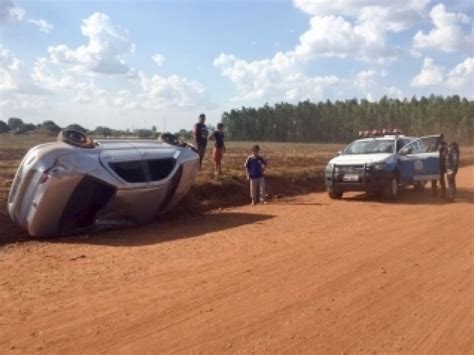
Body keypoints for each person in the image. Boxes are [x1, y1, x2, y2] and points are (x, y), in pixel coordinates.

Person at [431, 134, 447, 198]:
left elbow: (445, 154)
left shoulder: (444, 144)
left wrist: (441, 150)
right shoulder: (434, 144)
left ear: (442, 138)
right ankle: (434, 193)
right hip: (434, 164)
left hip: (441, 165)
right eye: (438, 138)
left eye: (440, 138)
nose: (439, 139)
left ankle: (443, 194)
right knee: (433, 180)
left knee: (441, 180)